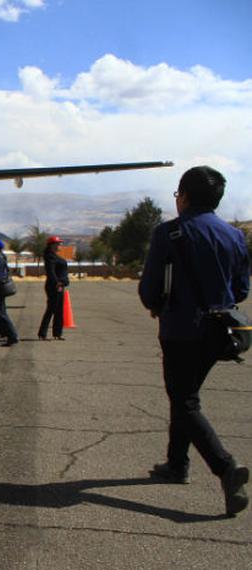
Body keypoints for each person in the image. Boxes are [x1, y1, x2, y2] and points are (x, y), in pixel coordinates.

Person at [138, 165, 249, 516]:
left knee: (184, 400)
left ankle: (226, 468)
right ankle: (176, 464)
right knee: (186, 394)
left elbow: (150, 288)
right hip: (221, 332)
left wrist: (157, 305)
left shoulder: (169, 233)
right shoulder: (234, 236)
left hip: (181, 330)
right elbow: (242, 289)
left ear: (183, 197)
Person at [37, 236, 70, 340]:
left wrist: (63, 283)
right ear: (52, 245)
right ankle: (42, 334)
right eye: (58, 243)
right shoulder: (50, 257)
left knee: (59, 310)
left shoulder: (55, 256)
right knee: (51, 309)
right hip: (54, 286)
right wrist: (57, 284)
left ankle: (57, 333)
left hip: (60, 285)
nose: (60, 245)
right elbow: (51, 272)